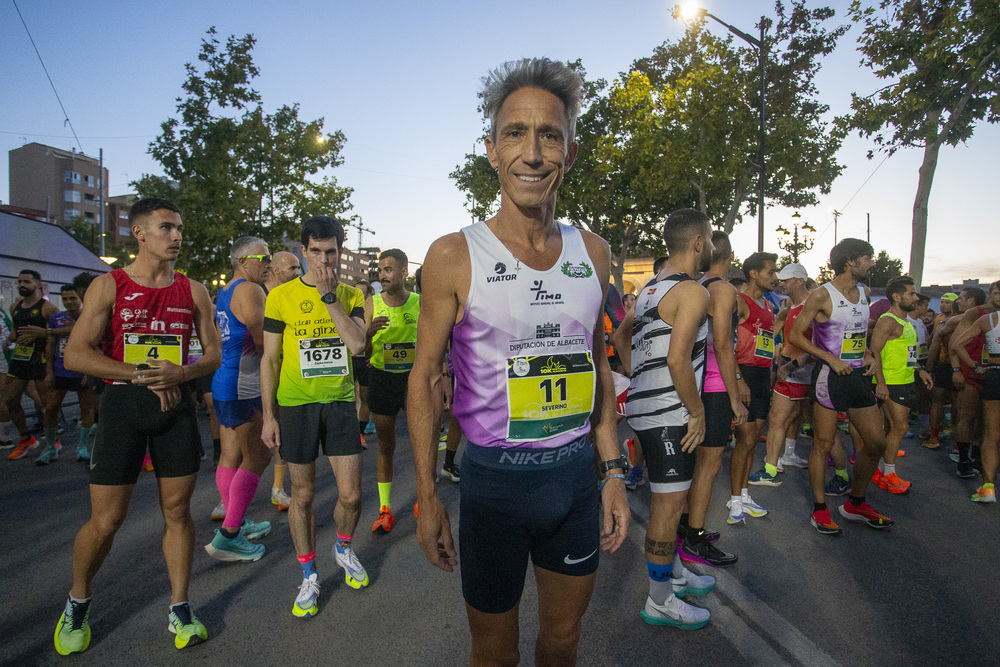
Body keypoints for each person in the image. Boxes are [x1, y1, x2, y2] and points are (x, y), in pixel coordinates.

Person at [407, 58, 628, 665]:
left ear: (570, 152)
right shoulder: (454, 255)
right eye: (515, 134)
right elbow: (425, 381)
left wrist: (612, 469)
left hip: (573, 481)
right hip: (494, 488)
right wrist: (427, 495)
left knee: (562, 640)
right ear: (491, 151)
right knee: (495, 649)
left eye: (549, 135)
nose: (532, 153)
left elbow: (598, 368)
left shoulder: (596, 253)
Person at [52, 197, 221, 654]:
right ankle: (78, 599)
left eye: (179, 228)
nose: (176, 236)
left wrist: (180, 373)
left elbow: (213, 354)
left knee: (178, 513)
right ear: (140, 233)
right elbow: (76, 354)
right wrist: (145, 374)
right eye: (166, 228)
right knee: (107, 521)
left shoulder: (195, 290)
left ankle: (180, 606)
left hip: (176, 407)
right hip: (124, 405)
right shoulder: (110, 286)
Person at [261, 216, 369, 618]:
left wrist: (329, 299)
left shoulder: (350, 295)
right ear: (304, 251)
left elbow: (357, 344)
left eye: (332, 251)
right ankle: (308, 573)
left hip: (339, 404)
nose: (325, 259)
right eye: (317, 251)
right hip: (296, 405)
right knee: (302, 495)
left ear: (340, 252)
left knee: (351, 496)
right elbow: (270, 360)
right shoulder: (280, 297)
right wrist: (268, 416)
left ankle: (343, 546)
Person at [788, 238, 893, 535]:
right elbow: (796, 335)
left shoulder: (865, 292)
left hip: (859, 375)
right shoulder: (822, 295)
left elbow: (858, 333)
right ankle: (820, 509)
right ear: (850, 262)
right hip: (829, 377)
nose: (872, 263)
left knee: (876, 443)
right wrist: (830, 359)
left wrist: (870, 355)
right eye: (867, 258)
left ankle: (856, 503)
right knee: (823, 444)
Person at [675, 230, 745, 567]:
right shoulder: (724, 288)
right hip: (715, 386)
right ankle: (694, 538)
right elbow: (722, 345)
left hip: (691, 384)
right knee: (709, 465)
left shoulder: (694, 286)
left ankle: (685, 526)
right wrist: (735, 398)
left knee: (694, 463)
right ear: (730, 258)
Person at [204, 237, 274, 562]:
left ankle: (237, 518)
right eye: (265, 256)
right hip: (242, 384)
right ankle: (229, 535)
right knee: (259, 455)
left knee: (230, 454)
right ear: (244, 260)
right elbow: (263, 344)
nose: (269, 262)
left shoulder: (227, 290)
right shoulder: (250, 289)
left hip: (226, 380)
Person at [366, 248, 420, 533]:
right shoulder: (371, 303)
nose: (382, 274)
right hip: (383, 379)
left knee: (420, 444)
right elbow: (359, 350)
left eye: (388, 269)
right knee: (386, 446)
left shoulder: (420, 303)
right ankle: (385, 509)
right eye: (380, 269)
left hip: (413, 380)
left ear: (404, 272)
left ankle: (424, 499)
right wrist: (368, 334)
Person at [749, 263, 814, 487]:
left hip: (800, 371)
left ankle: (771, 469)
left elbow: (819, 345)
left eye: (786, 279)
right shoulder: (787, 310)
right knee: (787, 417)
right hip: (793, 370)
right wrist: (755, 355)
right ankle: (783, 457)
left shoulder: (814, 307)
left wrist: (790, 366)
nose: (781, 282)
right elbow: (768, 335)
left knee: (781, 418)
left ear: (800, 280)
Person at [727, 252, 778, 524]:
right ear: (754, 273)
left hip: (761, 376)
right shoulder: (740, 302)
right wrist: (738, 379)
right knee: (744, 440)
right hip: (744, 373)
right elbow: (725, 342)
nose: (775, 277)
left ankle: (744, 493)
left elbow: (765, 343)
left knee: (751, 442)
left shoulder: (769, 306)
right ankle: (735, 501)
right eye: (771, 271)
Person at [870, 276, 934, 493]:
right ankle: (888, 474)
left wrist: (920, 370)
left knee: (892, 428)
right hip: (891, 382)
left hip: (905, 380)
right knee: (900, 427)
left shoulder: (906, 322)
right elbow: (874, 352)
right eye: (911, 293)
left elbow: (909, 354)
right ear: (897, 297)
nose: (915, 298)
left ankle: (881, 471)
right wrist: (881, 383)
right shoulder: (887, 320)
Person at [948, 282, 1000, 501]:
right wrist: (962, 367)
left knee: (990, 432)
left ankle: (987, 487)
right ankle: (965, 461)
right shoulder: (978, 315)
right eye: (997, 292)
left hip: (992, 374)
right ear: (989, 295)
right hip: (981, 374)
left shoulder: (988, 320)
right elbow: (954, 342)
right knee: (973, 419)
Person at [38, 284, 98, 463]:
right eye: (65, 299)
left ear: (80, 298)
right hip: (61, 370)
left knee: (87, 409)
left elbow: (96, 346)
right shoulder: (56, 319)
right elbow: (50, 345)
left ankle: (82, 447)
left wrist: (89, 372)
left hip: (83, 370)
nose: (69, 302)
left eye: (72, 298)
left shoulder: (89, 317)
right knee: (50, 408)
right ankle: (51, 448)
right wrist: (49, 371)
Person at [261, 249, 301, 510]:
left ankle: (277, 487)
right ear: (276, 270)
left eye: (299, 268)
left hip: (284, 374)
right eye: (293, 269)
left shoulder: (292, 296)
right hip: (257, 372)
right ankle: (228, 501)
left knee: (279, 434)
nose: (299, 274)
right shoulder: (261, 295)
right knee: (250, 440)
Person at [3, 269, 58, 459]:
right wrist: (10, 339)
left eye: (26, 282)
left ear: (37, 284)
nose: (21, 285)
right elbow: (15, 328)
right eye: (19, 282)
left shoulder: (48, 308)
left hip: (41, 359)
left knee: (47, 403)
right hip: (20, 358)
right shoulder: (14, 307)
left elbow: (60, 331)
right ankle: (26, 439)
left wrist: (42, 334)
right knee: (10, 399)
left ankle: (53, 439)